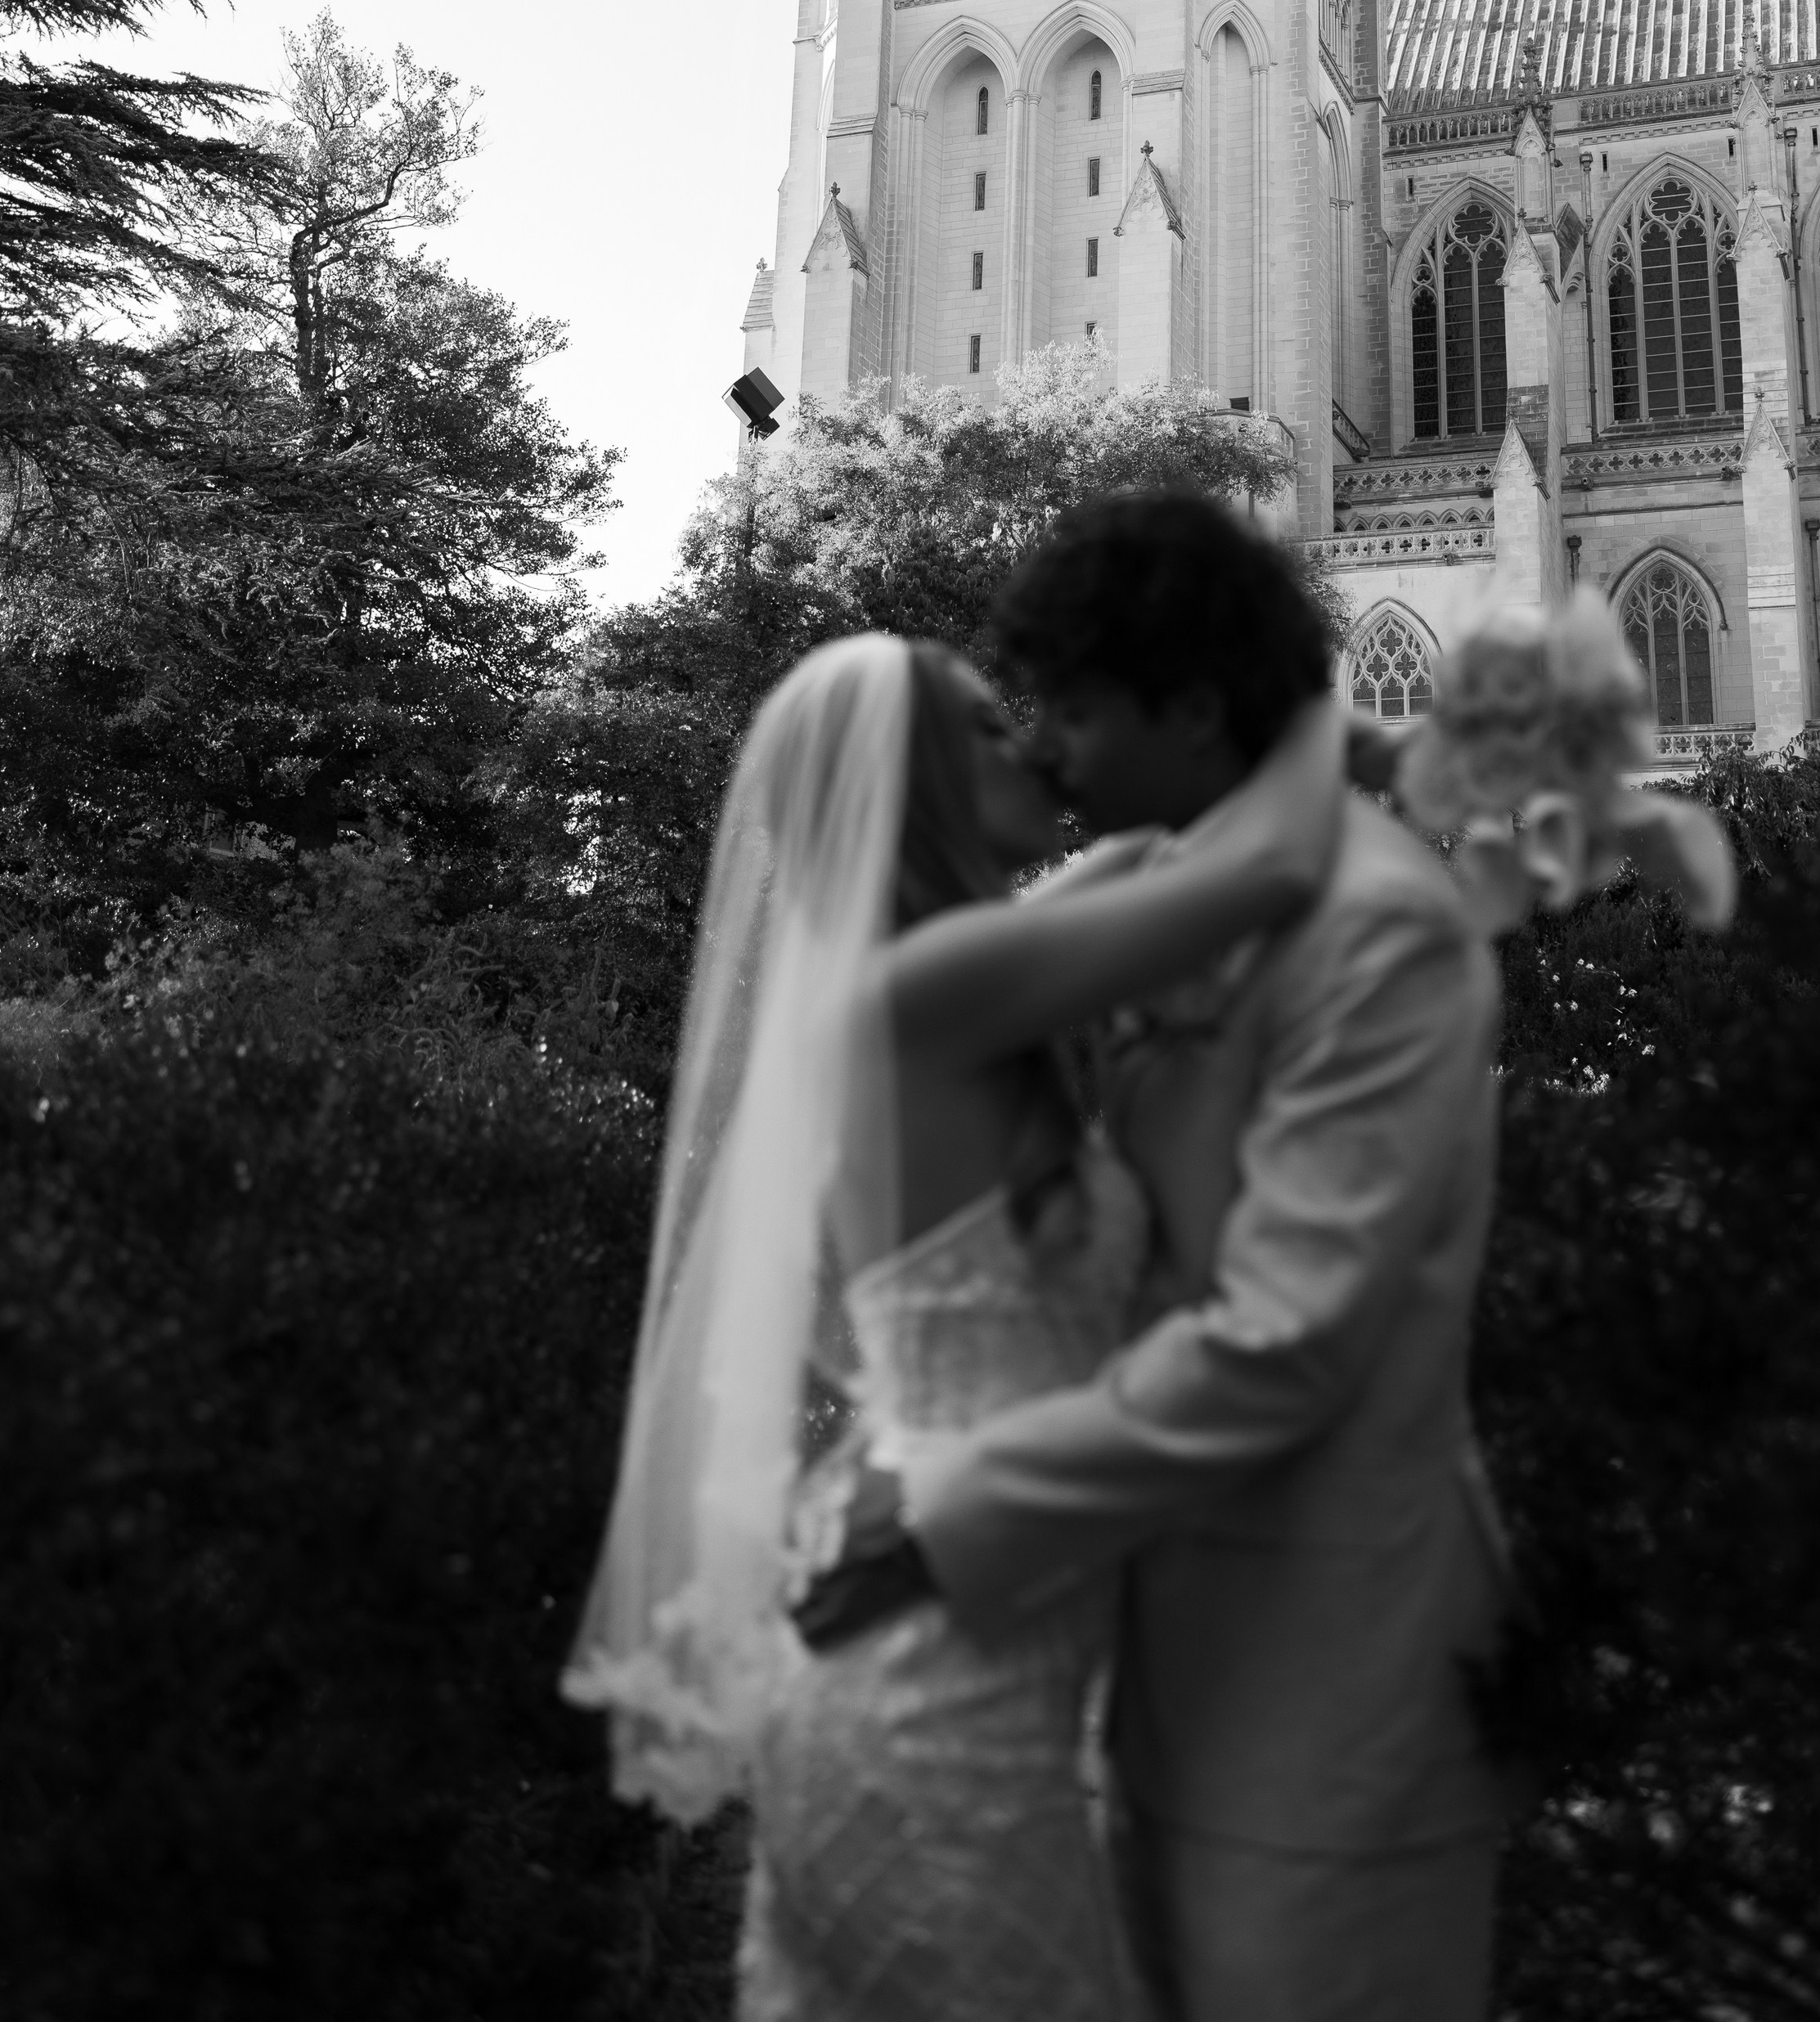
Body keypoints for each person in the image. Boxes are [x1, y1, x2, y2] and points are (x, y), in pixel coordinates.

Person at [562, 618, 1346, 2021]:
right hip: (927, 1705)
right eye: (989, 728)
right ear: (913, 786)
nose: (1034, 741)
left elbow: (1152, 858)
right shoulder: (923, 992)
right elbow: (1268, 859)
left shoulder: (960, 982)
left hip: (979, 1656)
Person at [798, 492, 1514, 2022]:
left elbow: (1287, 1338)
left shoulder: (1382, 931)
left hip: (1330, 1677)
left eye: (1071, 709)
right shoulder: (1144, 880)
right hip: (1117, 1660)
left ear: (1188, 711)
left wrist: (944, 1513)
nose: (1046, 749)